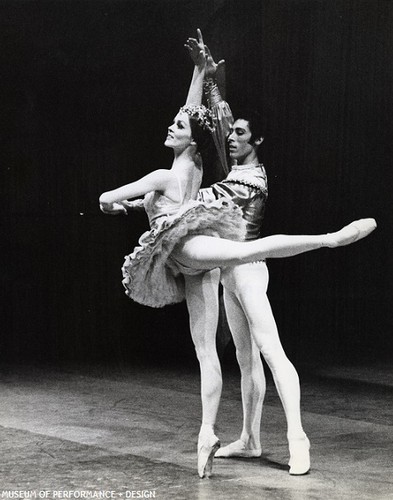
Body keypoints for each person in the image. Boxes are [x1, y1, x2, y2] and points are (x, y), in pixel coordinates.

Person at [99, 30, 377, 478]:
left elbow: (201, 166)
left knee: (270, 350)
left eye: (241, 135)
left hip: (247, 265)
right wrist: (207, 76)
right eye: (232, 134)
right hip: (221, 267)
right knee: (244, 360)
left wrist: (206, 80)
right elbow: (207, 128)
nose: (232, 138)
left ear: (257, 141)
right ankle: (250, 438)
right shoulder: (223, 166)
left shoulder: (253, 180)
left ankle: (297, 437)